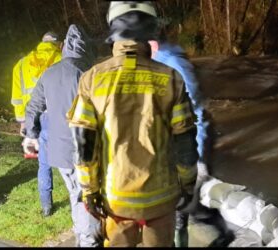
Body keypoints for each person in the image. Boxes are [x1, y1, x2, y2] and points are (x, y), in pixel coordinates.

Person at [67, 1, 198, 247]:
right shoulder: (171, 78)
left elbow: (84, 144)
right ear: (150, 30)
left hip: (116, 202)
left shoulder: (92, 79)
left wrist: (89, 189)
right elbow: (185, 140)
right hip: (162, 199)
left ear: (113, 29)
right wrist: (188, 184)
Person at [23, 24, 102, 247]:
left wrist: (32, 134)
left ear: (65, 47)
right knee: (86, 197)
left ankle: (81, 235)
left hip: (58, 152)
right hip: (83, 151)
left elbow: (33, 107)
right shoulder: (87, 74)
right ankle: (88, 241)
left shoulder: (49, 73)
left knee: (75, 195)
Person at [149, 32, 211, 248]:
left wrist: (200, 160)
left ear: (152, 43)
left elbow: (199, 114)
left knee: (177, 216)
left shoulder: (174, 64)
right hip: (155, 157)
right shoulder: (147, 65)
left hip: (177, 156)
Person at [11, 32, 62, 217]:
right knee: (69, 159)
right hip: (54, 116)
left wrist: (22, 122)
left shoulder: (22, 64)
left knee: (43, 163)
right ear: (57, 44)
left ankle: (46, 206)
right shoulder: (61, 59)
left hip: (31, 119)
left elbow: (17, 98)